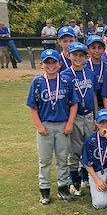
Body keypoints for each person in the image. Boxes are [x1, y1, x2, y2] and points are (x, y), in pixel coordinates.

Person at [26, 48, 79, 204]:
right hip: (45, 126)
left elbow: (74, 104)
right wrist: (39, 126)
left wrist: (70, 123)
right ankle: (44, 190)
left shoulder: (65, 81)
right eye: (47, 62)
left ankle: (63, 187)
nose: (51, 65)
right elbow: (32, 106)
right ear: (42, 64)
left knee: (63, 158)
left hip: (63, 125)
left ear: (60, 63)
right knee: (45, 159)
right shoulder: (38, 82)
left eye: (54, 62)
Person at [61, 41, 100, 195]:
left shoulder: (89, 73)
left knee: (88, 147)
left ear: (86, 57)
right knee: (74, 149)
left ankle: (85, 179)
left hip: (89, 115)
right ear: (69, 55)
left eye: (81, 55)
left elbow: (94, 96)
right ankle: (74, 181)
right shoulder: (65, 75)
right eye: (75, 55)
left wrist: (96, 116)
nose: (78, 58)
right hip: (75, 116)